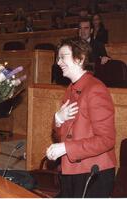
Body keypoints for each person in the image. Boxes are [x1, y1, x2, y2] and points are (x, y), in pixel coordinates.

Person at [46, 38, 116, 197]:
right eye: (58, 58)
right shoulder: (71, 89)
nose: (58, 62)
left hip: (94, 174)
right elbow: (61, 135)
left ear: (80, 59)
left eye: (63, 57)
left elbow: (106, 139)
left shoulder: (95, 89)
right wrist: (58, 119)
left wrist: (65, 148)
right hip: (73, 169)